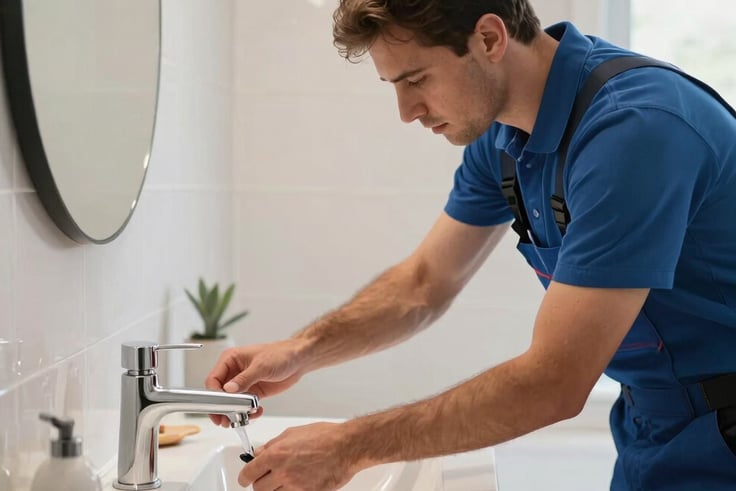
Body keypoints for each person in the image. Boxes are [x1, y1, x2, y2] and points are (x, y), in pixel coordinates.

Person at [206, 1, 736, 490]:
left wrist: (349, 446)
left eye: (416, 79)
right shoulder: (503, 138)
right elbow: (422, 285)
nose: (406, 110)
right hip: (653, 426)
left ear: (488, 38)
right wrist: (301, 351)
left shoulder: (634, 130)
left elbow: (553, 383)